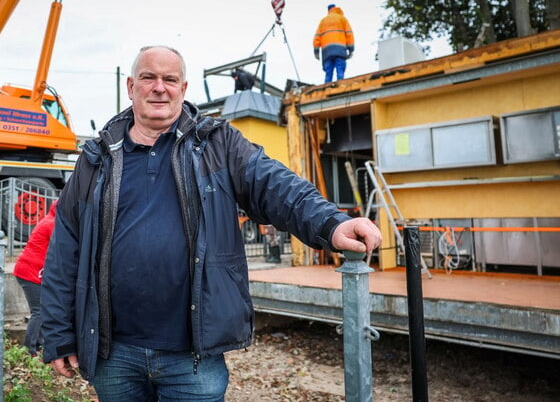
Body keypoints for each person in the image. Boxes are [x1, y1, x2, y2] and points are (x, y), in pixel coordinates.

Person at [40, 45, 381, 401]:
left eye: (170, 79)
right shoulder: (96, 159)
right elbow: (65, 251)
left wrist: (331, 224)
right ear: (130, 86)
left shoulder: (216, 143)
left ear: (183, 89)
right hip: (115, 355)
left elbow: (275, 185)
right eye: (148, 78)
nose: (159, 87)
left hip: (192, 359)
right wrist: (59, 334)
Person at [12, 201, 57, 357]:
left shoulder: (49, 220)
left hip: (30, 270)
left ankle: (38, 344)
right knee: (39, 311)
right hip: (29, 272)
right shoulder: (52, 224)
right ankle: (29, 349)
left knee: (42, 309)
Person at [313, 4, 355, 83]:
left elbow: (317, 37)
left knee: (328, 71)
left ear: (328, 10)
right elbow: (349, 34)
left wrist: (316, 51)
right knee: (340, 70)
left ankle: (327, 87)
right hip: (340, 49)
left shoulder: (323, 21)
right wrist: (351, 49)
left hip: (327, 50)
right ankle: (340, 85)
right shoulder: (342, 19)